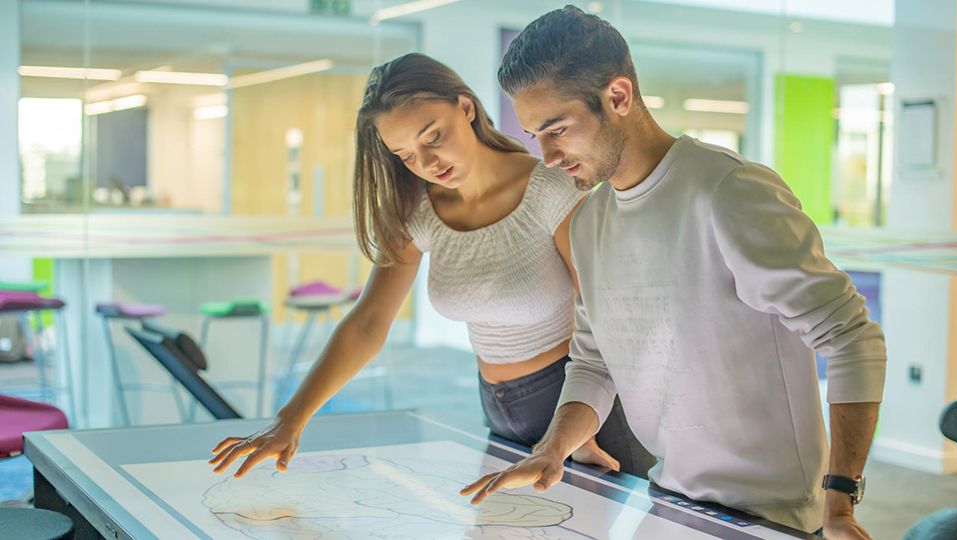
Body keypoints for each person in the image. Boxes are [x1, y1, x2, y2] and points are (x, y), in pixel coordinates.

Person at [461, 7, 886, 540]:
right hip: (668, 501)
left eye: (557, 130)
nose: (545, 156)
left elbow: (851, 337)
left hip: (767, 517)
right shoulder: (591, 219)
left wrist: (840, 505)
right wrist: (552, 448)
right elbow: (593, 363)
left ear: (618, 97)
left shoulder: (728, 190)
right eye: (533, 135)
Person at [208, 53, 654, 480]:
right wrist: (291, 419)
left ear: (465, 107)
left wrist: (574, 427)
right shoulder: (417, 212)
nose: (426, 164)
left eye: (432, 137)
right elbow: (368, 323)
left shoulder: (554, 188)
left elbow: (602, 318)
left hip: (583, 410)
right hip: (499, 407)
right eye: (405, 155)